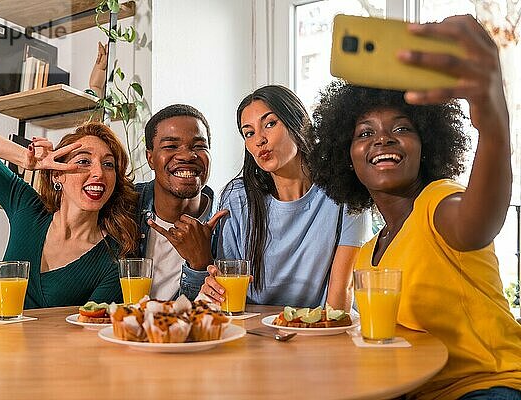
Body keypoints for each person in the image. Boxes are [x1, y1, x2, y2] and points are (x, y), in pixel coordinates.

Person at [310, 15, 521, 400]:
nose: (383, 139)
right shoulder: (368, 254)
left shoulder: (438, 202)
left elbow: (478, 223)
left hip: (487, 386)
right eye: (365, 133)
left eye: (402, 128)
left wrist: (492, 120)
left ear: (427, 146)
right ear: (347, 156)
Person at [197, 85, 371, 309]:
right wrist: (215, 288)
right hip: (254, 332)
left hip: (319, 329)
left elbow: (342, 292)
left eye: (270, 124)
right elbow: (229, 286)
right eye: (249, 133)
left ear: (298, 123)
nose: (259, 139)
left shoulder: (344, 192)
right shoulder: (237, 198)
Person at [0, 121, 139, 313]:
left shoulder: (115, 257)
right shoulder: (28, 207)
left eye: (108, 164)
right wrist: (25, 157)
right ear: (57, 174)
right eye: (83, 161)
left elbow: (90, 327)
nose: (98, 173)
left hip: (41, 343)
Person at [136, 104, 227, 300]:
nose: (187, 156)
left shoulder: (229, 223)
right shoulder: (125, 205)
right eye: (171, 146)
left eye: (199, 147)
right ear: (150, 158)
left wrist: (201, 263)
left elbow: (216, 314)